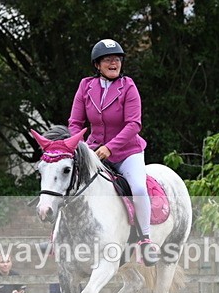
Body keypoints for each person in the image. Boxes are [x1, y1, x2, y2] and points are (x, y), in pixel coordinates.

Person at [68, 38, 159, 266]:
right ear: (97, 64)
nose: (113, 63)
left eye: (117, 59)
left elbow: (133, 125)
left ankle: (145, 239)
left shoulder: (128, 87)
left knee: (138, 187)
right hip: (94, 150)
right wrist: (79, 147)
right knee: (68, 183)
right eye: (108, 60)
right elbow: (75, 122)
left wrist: (110, 148)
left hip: (127, 151)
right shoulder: (85, 86)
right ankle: (57, 236)